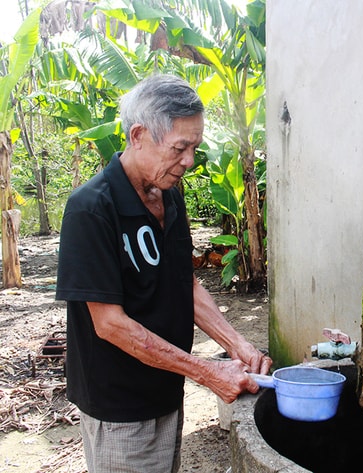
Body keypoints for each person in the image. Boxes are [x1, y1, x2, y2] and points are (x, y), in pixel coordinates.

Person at [56, 74, 273, 473]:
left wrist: (237, 343)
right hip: (119, 404)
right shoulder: (91, 209)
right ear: (138, 135)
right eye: (180, 147)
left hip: (165, 387)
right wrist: (208, 372)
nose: (189, 161)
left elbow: (182, 283)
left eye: (194, 147)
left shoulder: (169, 193)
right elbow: (110, 325)